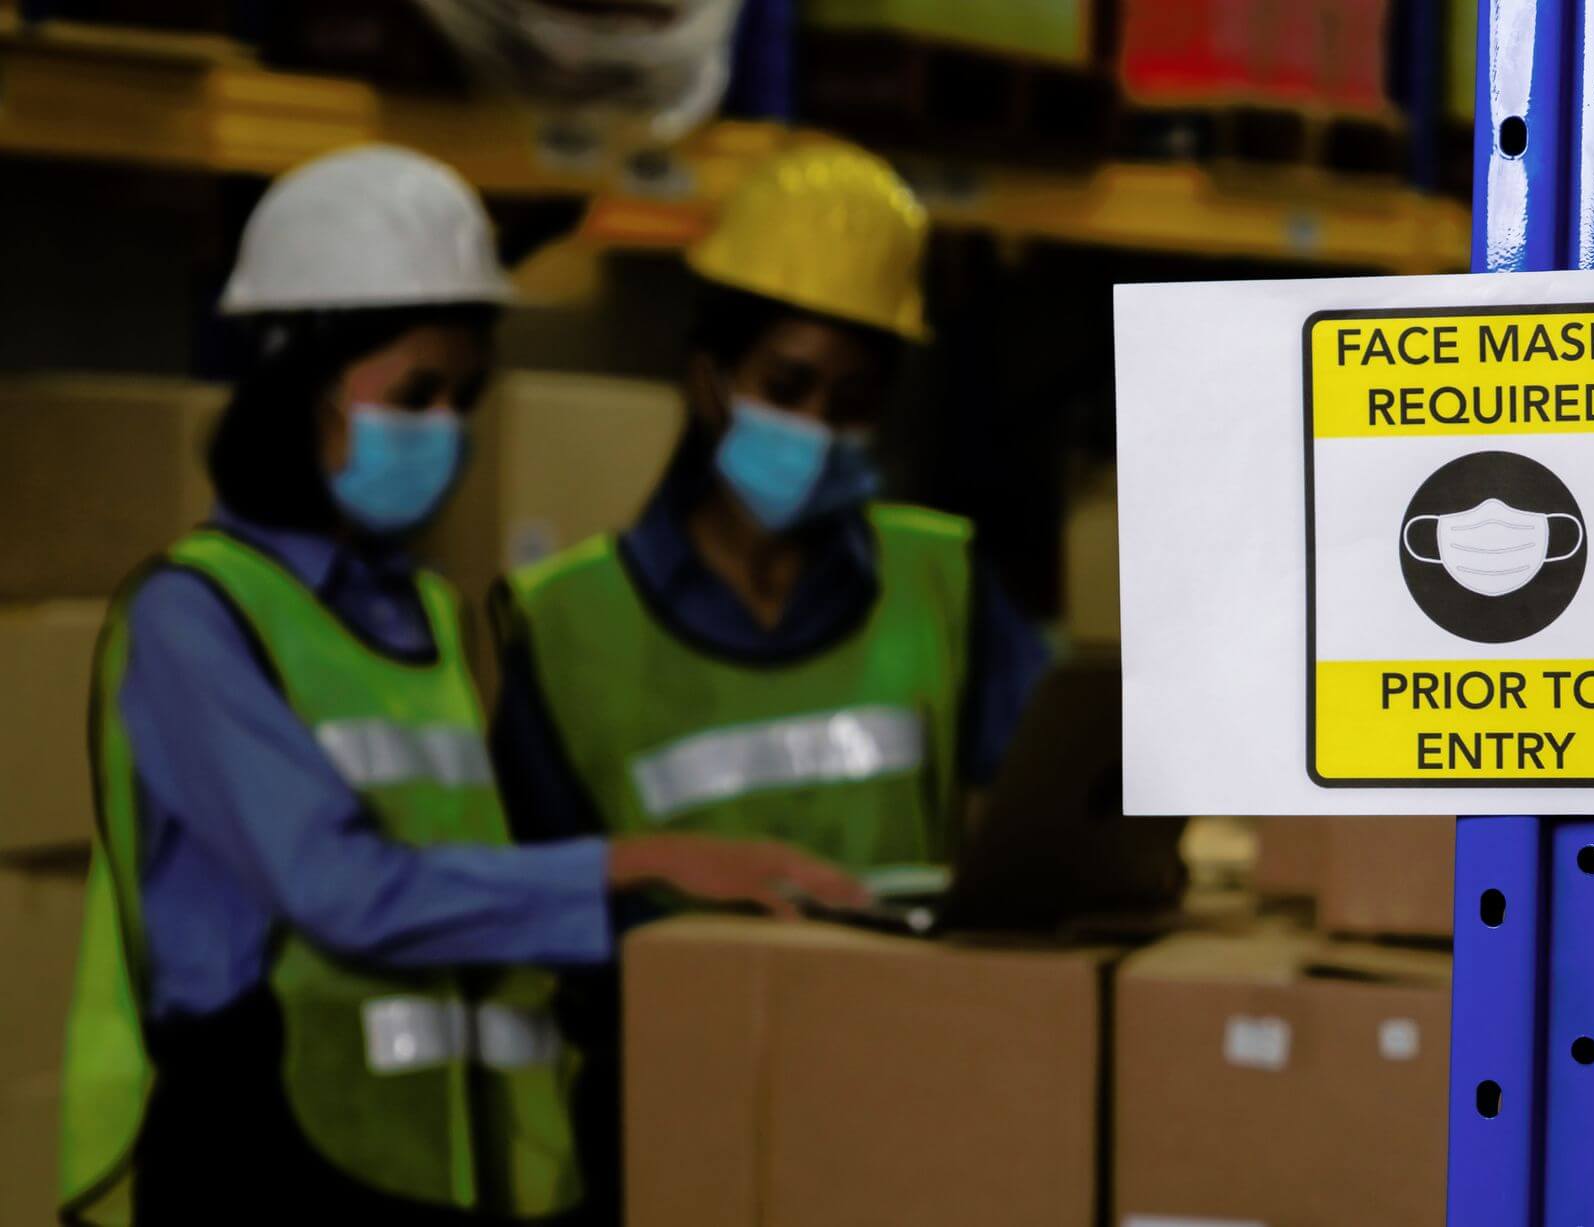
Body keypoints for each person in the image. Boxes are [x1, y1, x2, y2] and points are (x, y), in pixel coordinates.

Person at [57, 144, 865, 1227]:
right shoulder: (192, 619)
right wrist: (639, 863)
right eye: (415, 393)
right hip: (262, 1153)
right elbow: (341, 891)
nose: (444, 431)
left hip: (425, 1156)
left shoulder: (428, 615)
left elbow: (465, 866)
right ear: (299, 383)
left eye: (466, 398)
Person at [492, 142, 1049, 872]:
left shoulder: (944, 582)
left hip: (901, 988)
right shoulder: (567, 621)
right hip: (669, 992)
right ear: (709, 382)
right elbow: (535, 899)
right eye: (787, 387)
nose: (816, 425)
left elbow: (1051, 816)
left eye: (851, 401)